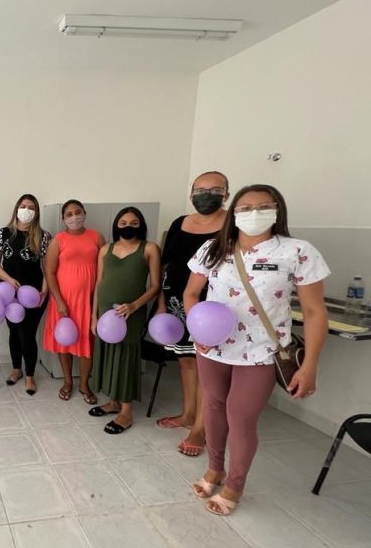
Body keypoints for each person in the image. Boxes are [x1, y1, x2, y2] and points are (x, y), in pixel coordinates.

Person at [184, 184, 329, 515]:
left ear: (278, 211)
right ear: (233, 213)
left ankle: (234, 485)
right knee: (214, 407)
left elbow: (314, 312)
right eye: (245, 208)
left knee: (241, 417)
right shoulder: (213, 248)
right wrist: (198, 328)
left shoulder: (297, 251)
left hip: (262, 352)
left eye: (264, 206)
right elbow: (191, 294)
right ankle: (214, 469)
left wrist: (310, 366)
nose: (254, 213)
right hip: (213, 347)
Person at [155, 171, 229, 456]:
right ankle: (188, 414)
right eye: (200, 190)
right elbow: (166, 265)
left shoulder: (234, 225)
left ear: (226, 193)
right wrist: (161, 302)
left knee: (207, 367)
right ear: (191, 194)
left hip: (214, 308)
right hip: (178, 302)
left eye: (214, 190)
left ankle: (200, 428)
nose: (206, 195)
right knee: (186, 360)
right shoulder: (179, 223)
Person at [89, 208, 161, 434]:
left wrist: (134, 306)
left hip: (132, 313)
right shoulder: (105, 250)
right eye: (123, 222)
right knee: (109, 353)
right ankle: (113, 402)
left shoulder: (149, 248)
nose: (128, 226)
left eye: (133, 222)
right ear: (116, 225)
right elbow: (99, 283)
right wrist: (94, 315)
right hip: (105, 314)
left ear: (141, 225)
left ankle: (126, 412)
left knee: (126, 357)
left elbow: (155, 286)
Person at [43, 199, 104, 404]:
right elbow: (49, 272)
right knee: (65, 341)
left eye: (78, 212)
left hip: (89, 301)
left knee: (88, 343)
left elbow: (106, 267)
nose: (74, 217)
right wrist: (59, 301)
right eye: (69, 214)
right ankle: (67, 381)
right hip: (64, 302)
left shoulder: (96, 237)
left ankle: (84, 384)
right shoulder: (58, 240)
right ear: (63, 219)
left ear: (84, 213)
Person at [0, 194, 52, 395]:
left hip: (34, 294)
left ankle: (30, 376)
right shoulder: (3, 233)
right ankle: (16, 369)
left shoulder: (43, 236)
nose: (27, 210)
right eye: (23, 206)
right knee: (14, 331)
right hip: (8, 293)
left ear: (37, 212)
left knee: (27, 333)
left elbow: (48, 268)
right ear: (17, 208)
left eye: (31, 208)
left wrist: (45, 289)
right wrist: (8, 279)